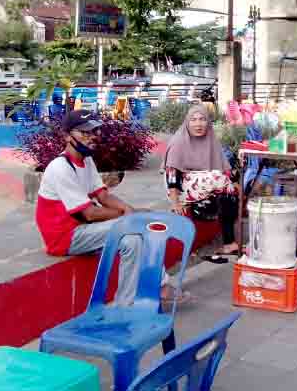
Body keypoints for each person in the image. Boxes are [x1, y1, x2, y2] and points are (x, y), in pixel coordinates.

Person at [35, 110, 163, 306]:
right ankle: (159, 287)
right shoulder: (60, 167)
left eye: (94, 132)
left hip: (81, 229)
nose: (92, 137)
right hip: (65, 237)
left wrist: (128, 209)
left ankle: (125, 304)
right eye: (84, 132)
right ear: (67, 136)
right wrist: (130, 215)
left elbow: (102, 196)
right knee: (136, 226)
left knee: (132, 241)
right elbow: (89, 213)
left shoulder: (85, 161)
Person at [164, 104, 239, 264]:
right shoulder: (179, 141)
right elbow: (172, 173)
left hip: (206, 185)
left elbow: (224, 168)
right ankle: (203, 214)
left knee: (230, 194)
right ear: (187, 122)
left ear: (208, 122)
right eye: (194, 120)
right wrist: (175, 202)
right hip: (179, 187)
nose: (198, 124)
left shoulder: (211, 140)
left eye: (202, 119)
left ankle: (229, 243)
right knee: (221, 181)